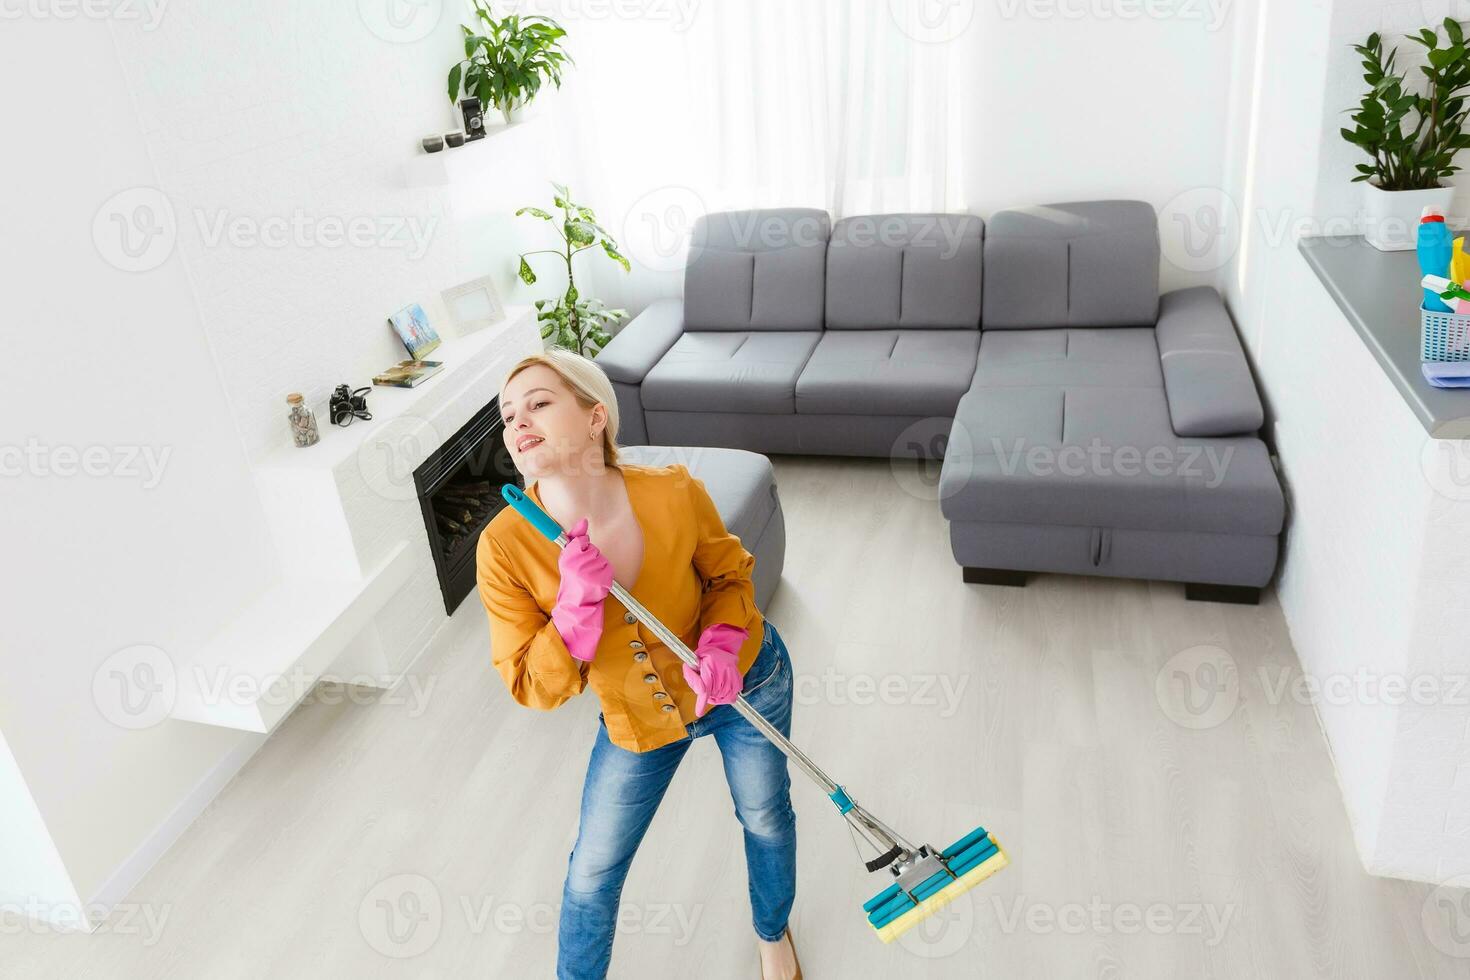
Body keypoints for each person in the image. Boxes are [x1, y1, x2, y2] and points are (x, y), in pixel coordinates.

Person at [476, 348, 802, 980]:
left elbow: (730, 575)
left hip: (746, 685)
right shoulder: (505, 547)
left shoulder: (673, 490)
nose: (518, 423)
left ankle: (772, 931)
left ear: (596, 416)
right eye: (507, 414)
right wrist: (573, 606)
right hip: (639, 717)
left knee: (764, 815)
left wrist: (721, 644)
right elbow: (528, 686)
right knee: (592, 871)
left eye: (539, 402)